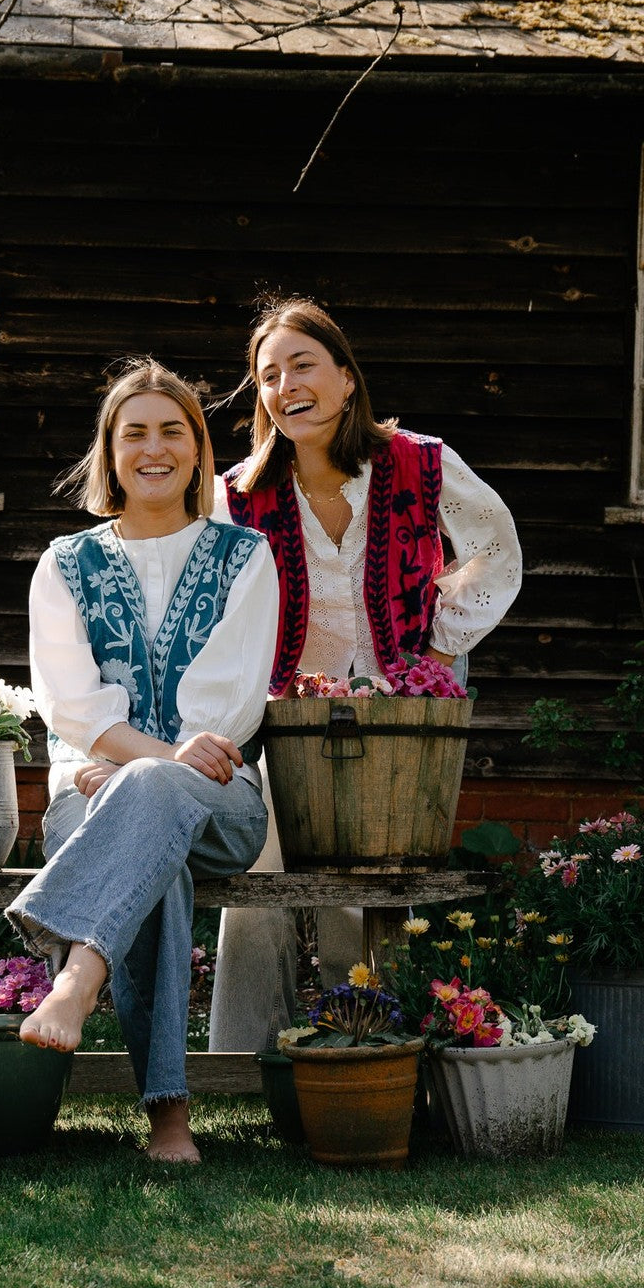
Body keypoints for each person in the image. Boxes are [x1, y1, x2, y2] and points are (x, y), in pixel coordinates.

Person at [207, 299, 523, 1052]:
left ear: (347, 378)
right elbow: (210, 607)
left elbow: (495, 549)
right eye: (269, 375)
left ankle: (371, 1050)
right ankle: (243, 1059)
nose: (286, 386)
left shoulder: (420, 462)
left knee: (370, 882)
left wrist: (438, 653)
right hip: (283, 717)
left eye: (303, 365)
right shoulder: (237, 495)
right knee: (258, 876)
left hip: (393, 719)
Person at [5, 359, 279, 1163]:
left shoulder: (245, 557)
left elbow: (229, 710)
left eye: (171, 431)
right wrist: (149, 767)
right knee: (158, 857)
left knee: (156, 798)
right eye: (135, 434)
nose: (153, 449)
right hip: (87, 800)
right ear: (110, 452)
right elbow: (71, 707)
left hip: (222, 803)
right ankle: (169, 1117)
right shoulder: (64, 565)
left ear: (197, 450)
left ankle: (76, 976)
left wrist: (133, 768)